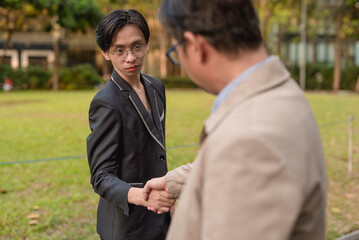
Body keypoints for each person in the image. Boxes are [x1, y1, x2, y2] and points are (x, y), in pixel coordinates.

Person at [143, 0, 327, 239]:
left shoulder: (250, 138)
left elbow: (247, 154)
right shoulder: (281, 94)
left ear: (195, 46)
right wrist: (177, 181)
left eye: (176, 53)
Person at [86, 9, 175, 240]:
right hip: (128, 224)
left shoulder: (156, 87)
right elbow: (101, 177)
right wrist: (145, 197)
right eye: (119, 50)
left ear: (147, 44)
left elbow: (156, 152)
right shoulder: (106, 102)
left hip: (162, 216)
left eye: (137, 47)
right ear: (106, 53)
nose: (130, 58)